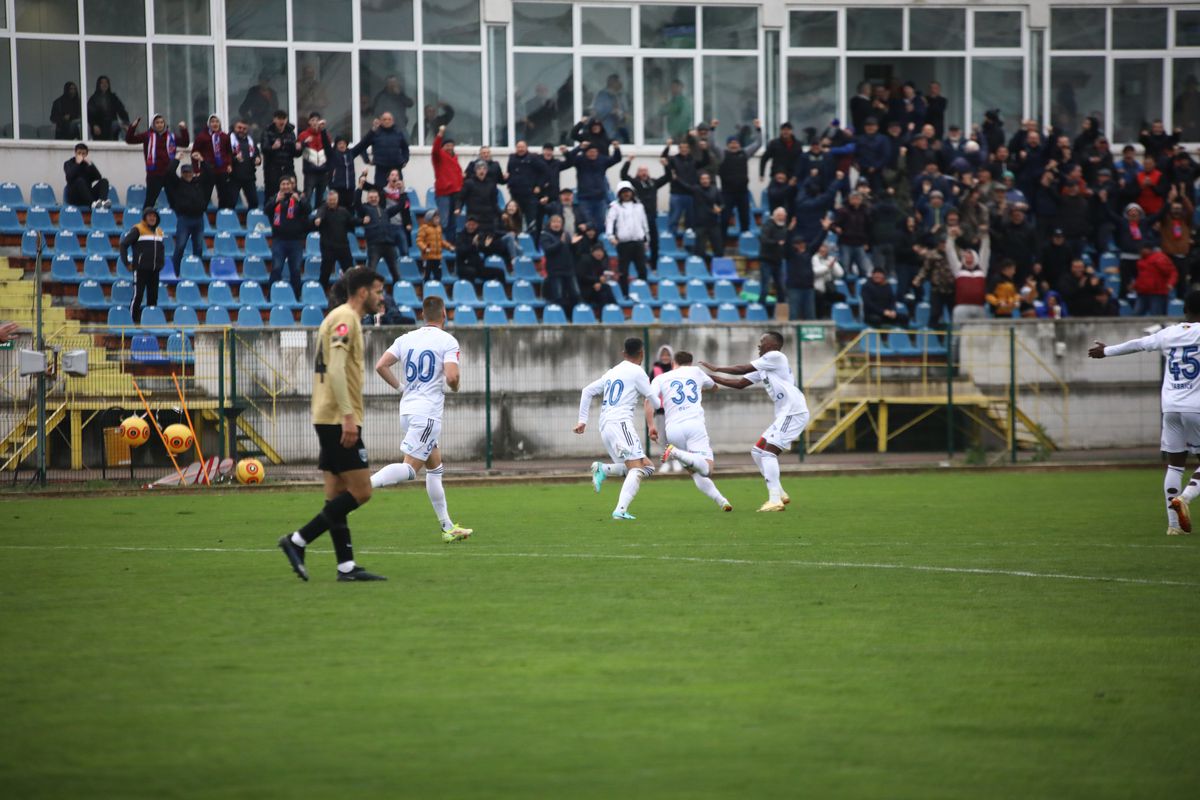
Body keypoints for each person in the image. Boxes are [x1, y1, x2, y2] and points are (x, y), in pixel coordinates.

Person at [277, 267, 387, 582]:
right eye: (377, 291)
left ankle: (346, 567)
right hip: (338, 418)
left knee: (335, 493)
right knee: (362, 491)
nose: (381, 298)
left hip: (328, 415)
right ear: (363, 292)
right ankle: (298, 540)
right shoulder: (345, 319)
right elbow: (337, 370)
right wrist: (349, 416)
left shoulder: (337, 317)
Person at [1088, 291, 1200, 536]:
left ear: (1184, 311)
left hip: (1170, 407)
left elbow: (1138, 344)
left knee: (1175, 465)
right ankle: (1186, 497)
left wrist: (1106, 351)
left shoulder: (1169, 334)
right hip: (1197, 406)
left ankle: (1173, 525)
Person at [369, 295, 473, 542]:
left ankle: (447, 527)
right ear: (444, 314)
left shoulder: (406, 338)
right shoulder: (447, 341)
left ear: (423, 316)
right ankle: (363, 485)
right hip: (427, 415)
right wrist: (456, 386)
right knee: (409, 470)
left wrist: (401, 387)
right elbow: (452, 377)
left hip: (408, 411)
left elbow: (381, 365)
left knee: (435, 467)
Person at [701, 332, 807, 512]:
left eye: (762, 342)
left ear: (773, 345)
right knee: (758, 452)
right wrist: (708, 379)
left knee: (768, 454)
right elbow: (739, 383)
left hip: (793, 412)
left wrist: (717, 369)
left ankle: (774, 501)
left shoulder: (776, 356)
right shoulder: (765, 366)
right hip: (785, 414)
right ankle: (780, 493)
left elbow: (741, 369)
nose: (759, 346)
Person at [575, 337, 656, 521]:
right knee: (637, 469)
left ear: (623, 353)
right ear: (642, 353)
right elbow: (652, 398)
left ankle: (604, 469)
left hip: (605, 425)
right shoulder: (637, 372)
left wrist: (582, 421)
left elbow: (587, 391)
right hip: (620, 424)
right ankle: (620, 510)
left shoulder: (612, 372)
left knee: (648, 467)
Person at [648, 352, 732, 510]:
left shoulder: (661, 377)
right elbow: (714, 387)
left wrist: (651, 425)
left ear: (674, 362)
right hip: (694, 425)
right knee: (707, 470)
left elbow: (648, 400)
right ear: (691, 362)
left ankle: (722, 501)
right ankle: (676, 453)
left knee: (694, 471)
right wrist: (701, 388)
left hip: (672, 429)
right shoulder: (696, 372)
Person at [126, 115, 190, 208]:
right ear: (153, 124)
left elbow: (185, 143)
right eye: (157, 123)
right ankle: (145, 221)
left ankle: (176, 220)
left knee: (174, 201)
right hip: (154, 174)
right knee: (150, 201)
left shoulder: (171, 136)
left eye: (161, 122)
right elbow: (129, 140)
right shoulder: (147, 136)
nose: (160, 125)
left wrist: (183, 129)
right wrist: (133, 127)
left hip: (169, 173)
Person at [619, 156, 671, 263]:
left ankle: (654, 264)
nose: (644, 173)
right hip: (638, 218)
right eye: (641, 171)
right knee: (639, 242)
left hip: (651, 217)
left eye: (645, 170)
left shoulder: (653, 183)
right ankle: (639, 262)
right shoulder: (634, 183)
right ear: (638, 173)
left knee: (654, 242)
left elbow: (667, 177)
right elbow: (623, 175)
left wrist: (666, 165)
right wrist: (628, 162)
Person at [268, 176, 312, 300]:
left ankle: (296, 296)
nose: (286, 186)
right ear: (280, 186)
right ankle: (271, 296)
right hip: (279, 241)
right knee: (276, 268)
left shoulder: (299, 198)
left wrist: (300, 201)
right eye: (283, 184)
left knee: (296, 270)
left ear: (292, 185)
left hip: (295, 242)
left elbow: (308, 210)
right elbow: (266, 210)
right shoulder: (275, 198)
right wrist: (275, 201)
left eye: (288, 184)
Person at [119, 207, 165, 324]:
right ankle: (131, 321)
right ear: (145, 218)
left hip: (155, 271)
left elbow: (161, 249)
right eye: (149, 216)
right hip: (140, 270)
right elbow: (123, 244)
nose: (152, 218)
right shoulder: (137, 229)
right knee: (138, 296)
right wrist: (126, 263)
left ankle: (150, 322)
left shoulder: (159, 231)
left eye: (154, 216)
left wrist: (161, 263)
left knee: (153, 297)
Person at [568, 141, 622, 230]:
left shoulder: (602, 160)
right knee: (587, 223)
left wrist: (616, 148)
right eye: (590, 152)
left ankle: (600, 242)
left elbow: (616, 159)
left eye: (595, 152)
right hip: (584, 199)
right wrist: (579, 148)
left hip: (600, 198)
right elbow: (569, 157)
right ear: (586, 153)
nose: (593, 154)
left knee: (601, 223)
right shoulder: (580, 160)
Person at [719, 123, 762, 233]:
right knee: (724, 219)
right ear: (728, 145)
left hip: (742, 193)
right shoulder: (723, 154)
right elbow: (711, 145)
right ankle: (720, 246)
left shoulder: (745, 153)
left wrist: (758, 129)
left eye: (736, 143)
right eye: (731, 143)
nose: (734, 145)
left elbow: (758, 144)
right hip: (727, 193)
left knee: (745, 220)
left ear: (739, 144)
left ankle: (745, 239)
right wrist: (713, 129)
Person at [605, 181, 649, 287]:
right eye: (623, 192)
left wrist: (647, 240)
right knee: (623, 270)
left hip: (638, 242)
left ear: (632, 192)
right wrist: (611, 237)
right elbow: (609, 222)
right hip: (623, 243)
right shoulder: (614, 207)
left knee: (642, 268)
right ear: (619, 194)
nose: (626, 194)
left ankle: (642, 290)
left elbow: (644, 223)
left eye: (628, 191)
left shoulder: (639, 206)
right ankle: (625, 292)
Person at [165, 162, 207, 268]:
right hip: (184, 219)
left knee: (198, 247)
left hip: (199, 219)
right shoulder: (177, 184)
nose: (187, 174)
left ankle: (197, 270)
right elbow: (169, 172)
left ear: (193, 173)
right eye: (185, 172)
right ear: (181, 174)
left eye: (189, 172)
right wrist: (176, 160)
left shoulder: (199, 183)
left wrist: (202, 161)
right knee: (180, 246)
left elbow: (210, 174)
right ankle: (175, 272)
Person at [352, 111, 410, 187]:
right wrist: (367, 160)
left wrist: (405, 160)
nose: (387, 121)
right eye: (384, 119)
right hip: (381, 168)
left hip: (396, 168)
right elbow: (362, 146)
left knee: (397, 192)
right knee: (380, 191)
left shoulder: (398, 133)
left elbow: (405, 148)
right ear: (380, 121)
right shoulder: (375, 133)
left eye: (389, 119)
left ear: (393, 121)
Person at [314, 190, 355, 292]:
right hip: (328, 248)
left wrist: (363, 221)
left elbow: (352, 221)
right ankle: (321, 293)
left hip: (343, 247)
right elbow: (319, 214)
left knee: (350, 273)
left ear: (337, 200)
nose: (332, 202)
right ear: (327, 200)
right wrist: (318, 219)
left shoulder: (344, 211)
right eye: (330, 200)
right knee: (325, 273)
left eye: (334, 200)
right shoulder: (323, 211)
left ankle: (353, 293)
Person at [541, 214, 582, 312]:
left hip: (569, 270)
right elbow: (548, 250)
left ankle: (573, 316)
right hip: (555, 271)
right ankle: (561, 317)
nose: (556, 224)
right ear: (550, 224)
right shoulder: (545, 235)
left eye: (559, 222)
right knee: (558, 296)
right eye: (554, 222)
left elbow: (573, 252)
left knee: (576, 294)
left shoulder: (566, 234)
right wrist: (560, 242)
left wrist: (574, 244)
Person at [193, 114, 234, 209]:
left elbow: (229, 152)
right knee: (205, 196)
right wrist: (196, 170)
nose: (214, 124)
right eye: (212, 122)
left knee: (224, 196)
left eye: (217, 121)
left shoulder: (224, 136)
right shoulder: (202, 137)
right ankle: (202, 216)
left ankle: (222, 216)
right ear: (209, 124)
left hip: (222, 170)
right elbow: (194, 153)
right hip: (207, 170)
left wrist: (229, 164)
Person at [360, 184, 398, 285]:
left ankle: (397, 295)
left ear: (379, 198)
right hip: (374, 245)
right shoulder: (364, 209)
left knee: (396, 274)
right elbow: (356, 203)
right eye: (371, 197)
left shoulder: (385, 211)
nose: (373, 199)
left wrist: (402, 191)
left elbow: (401, 206)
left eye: (375, 197)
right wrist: (360, 187)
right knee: (370, 272)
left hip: (388, 244)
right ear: (367, 198)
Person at [431, 125, 463, 242]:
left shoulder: (455, 159)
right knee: (443, 222)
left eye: (451, 145)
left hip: (455, 194)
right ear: (442, 147)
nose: (449, 147)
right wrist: (440, 134)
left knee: (453, 223)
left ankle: (451, 245)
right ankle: (440, 244)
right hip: (443, 194)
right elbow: (435, 149)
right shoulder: (438, 157)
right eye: (447, 145)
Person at [297, 113, 333, 206]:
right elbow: (297, 151)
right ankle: (305, 216)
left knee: (320, 198)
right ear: (309, 122)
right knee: (307, 196)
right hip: (310, 172)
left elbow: (329, 152)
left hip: (323, 172)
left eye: (317, 120)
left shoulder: (326, 135)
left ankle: (318, 218)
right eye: (312, 120)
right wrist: (305, 142)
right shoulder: (303, 135)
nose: (315, 122)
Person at [262, 110, 298, 198]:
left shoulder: (290, 132)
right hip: (272, 169)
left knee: (292, 191)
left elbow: (295, 153)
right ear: (274, 120)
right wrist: (272, 148)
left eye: (284, 119)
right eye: (279, 119)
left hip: (288, 167)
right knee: (272, 193)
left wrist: (298, 149)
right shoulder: (267, 131)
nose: (281, 121)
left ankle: (292, 210)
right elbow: (264, 149)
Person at [1133, 246, 1178, 317]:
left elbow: (1172, 272)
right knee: (1136, 316)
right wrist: (1135, 286)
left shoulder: (1159, 259)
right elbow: (1141, 277)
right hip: (1142, 292)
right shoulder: (1141, 260)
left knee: (1156, 317)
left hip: (1157, 293)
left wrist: (1170, 283)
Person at [63, 143, 110, 209]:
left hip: (88, 195)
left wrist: (91, 165)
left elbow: (98, 177)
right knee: (80, 181)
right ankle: (93, 204)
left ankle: (102, 202)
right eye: (79, 153)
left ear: (86, 154)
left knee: (104, 181)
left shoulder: (88, 164)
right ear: (75, 153)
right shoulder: (68, 163)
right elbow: (69, 177)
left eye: (83, 154)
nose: (81, 155)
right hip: (75, 197)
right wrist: (77, 164)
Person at [229, 119, 262, 210]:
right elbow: (224, 157)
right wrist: (235, 158)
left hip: (249, 176)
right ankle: (230, 222)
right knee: (230, 202)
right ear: (234, 128)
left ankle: (250, 221)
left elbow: (256, 154)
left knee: (254, 202)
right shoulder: (229, 140)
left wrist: (258, 160)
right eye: (239, 128)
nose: (241, 130)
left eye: (244, 128)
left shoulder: (251, 141)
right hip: (233, 177)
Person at [690, 173, 723, 261]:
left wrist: (720, 208)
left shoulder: (715, 190)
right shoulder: (696, 189)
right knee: (699, 251)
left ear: (710, 180)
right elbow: (684, 185)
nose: (705, 181)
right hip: (700, 224)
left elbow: (722, 204)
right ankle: (702, 271)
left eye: (706, 179)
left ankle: (717, 269)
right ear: (700, 181)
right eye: (702, 179)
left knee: (719, 249)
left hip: (713, 223)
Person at [87, 76, 129, 141]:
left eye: (106, 82)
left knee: (122, 127)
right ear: (98, 85)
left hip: (112, 124)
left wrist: (125, 123)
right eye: (102, 83)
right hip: (100, 126)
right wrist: (94, 125)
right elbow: (89, 114)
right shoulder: (93, 99)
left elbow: (121, 110)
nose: (104, 84)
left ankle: (125, 146)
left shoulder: (113, 98)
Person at [416, 209, 453, 283]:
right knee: (427, 275)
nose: (437, 220)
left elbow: (441, 241)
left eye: (438, 218)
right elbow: (419, 241)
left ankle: (437, 290)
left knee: (438, 275)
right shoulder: (424, 228)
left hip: (437, 257)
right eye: (435, 218)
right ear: (430, 219)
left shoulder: (439, 228)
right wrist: (425, 248)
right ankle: (426, 290)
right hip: (427, 257)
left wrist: (449, 246)